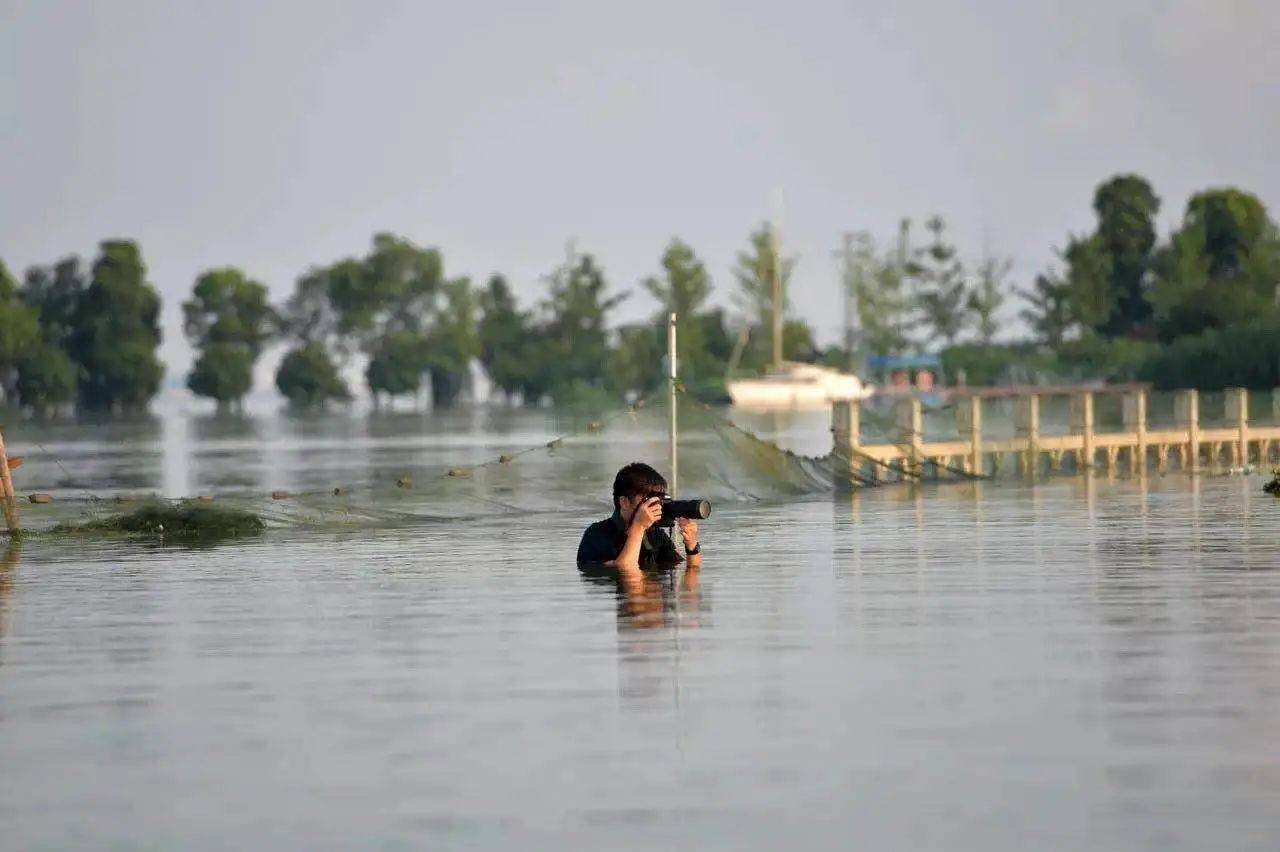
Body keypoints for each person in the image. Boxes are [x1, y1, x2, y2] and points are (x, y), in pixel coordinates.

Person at [577, 462, 702, 572]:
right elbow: (625, 572)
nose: (655, 505)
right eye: (648, 499)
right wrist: (638, 526)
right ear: (624, 502)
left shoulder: (655, 535)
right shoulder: (596, 534)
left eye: (658, 498)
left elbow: (688, 571)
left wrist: (692, 548)